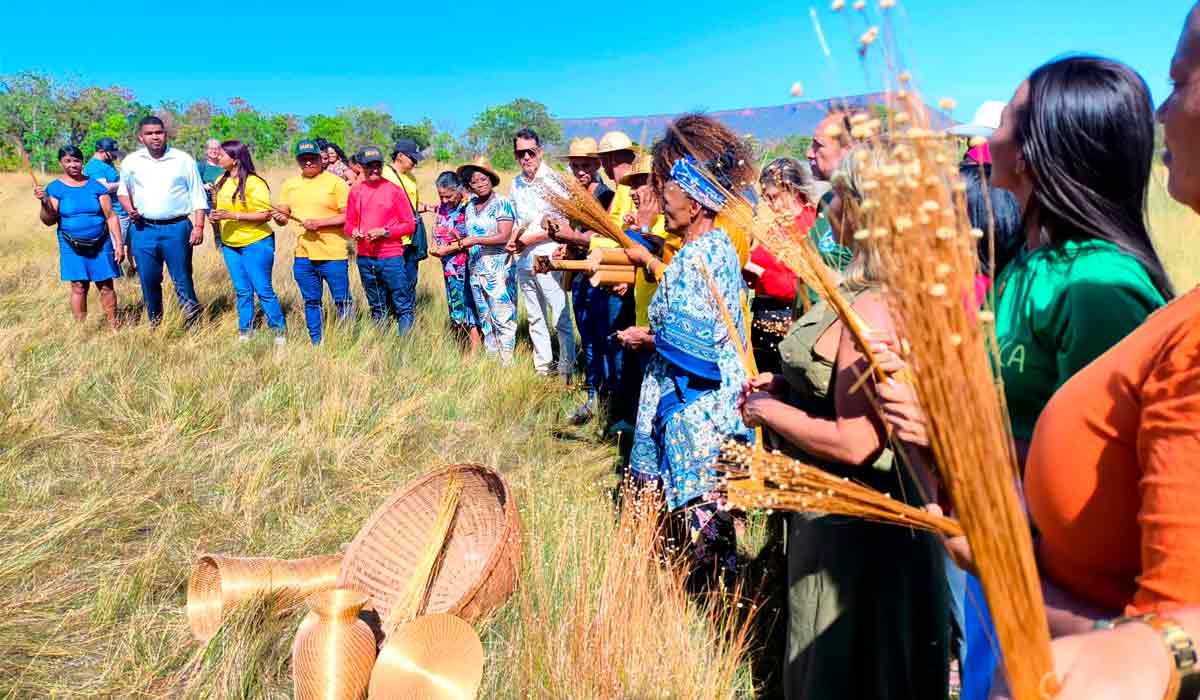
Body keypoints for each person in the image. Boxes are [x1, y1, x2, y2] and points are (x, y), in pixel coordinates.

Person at [738, 146, 950, 700]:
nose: (825, 203)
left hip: (852, 526)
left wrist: (767, 411)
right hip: (849, 519)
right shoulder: (868, 289)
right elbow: (846, 394)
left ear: (860, 211)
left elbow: (857, 441)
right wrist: (790, 388)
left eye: (835, 194)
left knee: (845, 665)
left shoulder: (877, 307)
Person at [621, 114, 755, 590]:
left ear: (696, 199)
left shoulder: (697, 256)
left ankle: (721, 609)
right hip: (720, 403)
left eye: (669, 190)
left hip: (698, 410)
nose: (662, 201)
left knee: (709, 523)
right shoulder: (715, 246)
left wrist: (646, 338)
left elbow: (696, 349)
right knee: (717, 518)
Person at [117, 116, 207, 326]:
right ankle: (155, 323)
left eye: (159, 132)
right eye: (149, 133)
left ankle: (192, 323)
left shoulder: (183, 160)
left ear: (165, 134)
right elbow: (123, 191)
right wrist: (130, 209)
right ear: (141, 137)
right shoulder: (132, 161)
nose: (155, 137)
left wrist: (199, 226)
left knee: (182, 278)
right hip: (142, 229)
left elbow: (198, 195)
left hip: (177, 228)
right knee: (148, 279)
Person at [507, 127, 576, 379]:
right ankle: (543, 367)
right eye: (520, 153)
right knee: (535, 317)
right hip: (524, 260)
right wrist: (515, 240)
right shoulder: (515, 184)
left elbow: (563, 225)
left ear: (540, 151)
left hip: (550, 257)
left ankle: (567, 368)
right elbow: (517, 219)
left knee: (559, 316)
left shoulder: (555, 181)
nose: (526, 158)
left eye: (530, 152)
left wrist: (529, 239)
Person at [33, 145, 125, 328]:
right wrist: (44, 202)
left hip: (101, 243)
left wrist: (119, 244)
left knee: (106, 285)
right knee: (78, 286)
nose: (73, 165)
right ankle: (80, 330)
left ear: (82, 162)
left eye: (76, 160)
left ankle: (115, 326)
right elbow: (49, 220)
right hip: (71, 245)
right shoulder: (56, 188)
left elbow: (111, 216)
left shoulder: (96, 186)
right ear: (61, 163)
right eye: (68, 161)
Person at [749, 157, 824, 375]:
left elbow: (806, 286)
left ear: (792, 189)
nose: (771, 205)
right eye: (767, 199)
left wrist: (761, 273)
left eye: (775, 197)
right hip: (765, 318)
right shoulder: (777, 226)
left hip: (789, 321)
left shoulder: (811, 226)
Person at [275, 139, 351, 345]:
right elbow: (283, 215)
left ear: (320, 158)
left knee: (342, 301)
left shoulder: (336, 183)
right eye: (303, 159)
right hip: (303, 255)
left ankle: (346, 341)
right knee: (311, 301)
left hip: (333, 254)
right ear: (298, 161)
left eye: (312, 158)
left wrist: (320, 223)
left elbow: (348, 216)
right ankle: (316, 341)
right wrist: (279, 218)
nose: (308, 162)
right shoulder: (290, 185)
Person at [210, 140, 286, 343]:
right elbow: (220, 209)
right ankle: (246, 331)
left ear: (235, 159)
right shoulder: (220, 180)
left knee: (262, 289)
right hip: (230, 244)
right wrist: (215, 217)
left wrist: (232, 215)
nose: (218, 157)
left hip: (256, 242)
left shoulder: (254, 183)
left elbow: (265, 214)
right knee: (242, 290)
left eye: (222, 155)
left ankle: (278, 332)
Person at [344, 146, 417, 336]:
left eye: (378, 165)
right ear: (361, 167)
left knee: (402, 304)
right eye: (370, 166)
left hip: (391, 257)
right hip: (366, 258)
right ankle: (381, 344)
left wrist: (384, 232)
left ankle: (406, 346)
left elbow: (409, 225)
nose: (375, 169)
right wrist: (355, 232)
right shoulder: (355, 192)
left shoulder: (394, 191)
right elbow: (348, 224)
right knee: (376, 305)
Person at [458, 159, 517, 365]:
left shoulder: (502, 202)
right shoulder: (470, 207)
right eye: (475, 181)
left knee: (503, 318)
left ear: (491, 179)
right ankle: (492, 364)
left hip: (498, 269)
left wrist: (475, 240)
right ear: (470, 186)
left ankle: (507, 364)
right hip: (475, 269)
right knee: (485, 318)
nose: (480, 184)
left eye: (484, 179)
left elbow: (504, 235)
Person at [429, 171, 482, 353]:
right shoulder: (444, 207)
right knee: (455, 303)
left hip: (465, 265)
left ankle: (475, 351)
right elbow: (437, 227)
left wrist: (448, 249)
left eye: (448, 196)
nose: (444, 200)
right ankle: (460, 347)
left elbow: (470, 237)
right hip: (449, 266)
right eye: (440, 196)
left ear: (459, 190)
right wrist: (434, 245)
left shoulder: (470, 206)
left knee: (468, 304)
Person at [805, 110, 859, 270]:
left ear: (848, 150)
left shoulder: (870, 207)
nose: (809, 154)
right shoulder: (827, 200)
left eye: (818, 145)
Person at [83, 137, 134, 276]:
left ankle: (134, 273)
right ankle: (115, 277)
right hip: (115, 213)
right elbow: (103, 187)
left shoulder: (108, 163)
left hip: (126, 211)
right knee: (116, 248)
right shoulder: (93, 166)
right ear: (101, 151)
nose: (115, 155)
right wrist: (125, 183)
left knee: (133, 246)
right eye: (112, 152)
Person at [199, 138, 225, 248]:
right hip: (209, 200)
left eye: (216, 148)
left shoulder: (224, 164)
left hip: (225, 198)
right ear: (206, 150)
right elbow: (194, 184)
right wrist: (204, 186)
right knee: (216, 225)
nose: (214, 151)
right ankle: (220, 251)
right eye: (211, 148)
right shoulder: (201, 166)